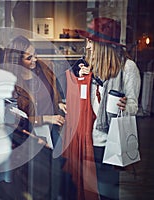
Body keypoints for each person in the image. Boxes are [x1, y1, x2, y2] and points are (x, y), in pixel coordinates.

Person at [75, 17, 141, 199]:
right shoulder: (90, 67)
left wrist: (125, 106)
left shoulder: (128, 68)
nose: (88, 47)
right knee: (86, 192)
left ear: (102, 45)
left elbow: (134, 106)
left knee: (107, 194)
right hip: (88, 140)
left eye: (90, 42)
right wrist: (82, 81)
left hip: (110, 143)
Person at [2, 35, 67, 150]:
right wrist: (46, 118)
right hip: (30, 136)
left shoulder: (44, 68)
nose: (35, 60)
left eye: (35, 55)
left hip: (52, 129)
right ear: (17, 61)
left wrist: (59, 103)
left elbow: (53, 91)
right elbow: (15, 120)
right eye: (29, 58)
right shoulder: (10, 84)